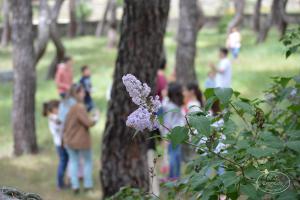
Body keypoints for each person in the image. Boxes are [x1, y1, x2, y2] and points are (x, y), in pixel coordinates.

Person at [63, 84, 99, 194]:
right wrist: (96, 118)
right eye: (82, 92)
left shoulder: (67, 106)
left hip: (69, 139)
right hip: (80, 140)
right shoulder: (79, 107)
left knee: (73, 162)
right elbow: (88, 123)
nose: (84, 94)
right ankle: (88, 185)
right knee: (87, 161)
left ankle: (75, 186)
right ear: (77, 93)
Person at [161, 82, 185, 180]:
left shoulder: (169, 106)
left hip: (171, 133)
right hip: (179, 132)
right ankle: (177, 175)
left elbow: (167, 123)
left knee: (172, 155)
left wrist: (165, 137)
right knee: (177, 155)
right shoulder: (177, 105)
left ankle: (172, 176)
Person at [43, 100, 68, 190]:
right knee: (63, 162)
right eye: (59, 108)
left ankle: (62, 182)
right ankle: (60, 184)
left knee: (65, 162)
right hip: (61, 143)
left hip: (61, 143)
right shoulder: (54, 118)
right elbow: (60, 125)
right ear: (54, 109)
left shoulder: (54, 117)